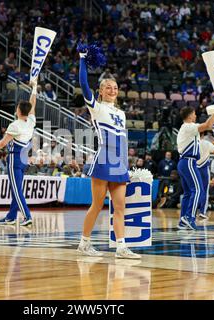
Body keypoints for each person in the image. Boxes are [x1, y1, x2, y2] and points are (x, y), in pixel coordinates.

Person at [76, 46, 140, 259]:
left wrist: (127, 166)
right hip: (103, 160)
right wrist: (83, 60)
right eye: (108, 87)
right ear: (101, 91)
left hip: (119, 164)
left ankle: (121, 247)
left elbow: (123, 142)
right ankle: (84, 243)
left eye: (115, 87)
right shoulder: (96, 107)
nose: (113, 90)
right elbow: (84, 84)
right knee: (97, 205)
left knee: (120, 206)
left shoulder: (121, 113)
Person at [0, 80, 38, 227]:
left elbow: (3, 143)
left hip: (15, 159)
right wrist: (34, 88)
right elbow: (32, 103)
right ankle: (10, 217)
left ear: (18, 110)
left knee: (16, 190)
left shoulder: (15, 125)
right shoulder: (31, 120)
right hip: (23, 160)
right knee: (17, 189)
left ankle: (27, 216)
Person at [176, 106, 214, 230]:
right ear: (189, 116)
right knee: (198, 190)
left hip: (184, 162)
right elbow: (207, 125)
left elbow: (206, 126)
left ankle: (183, 221)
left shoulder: (186, 129)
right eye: (194, 114)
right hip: (188, 161)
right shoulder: (188, 127)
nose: (195, 116)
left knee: (188, 193)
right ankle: (189, 217)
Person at [197, 132, 214, 219]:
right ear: (202, 135)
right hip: (203, 169)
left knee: (193, 191)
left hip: (193, 168)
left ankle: (190, 212)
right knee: (204, 191)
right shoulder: (206, 143)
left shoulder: (191, 143)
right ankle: (202, 212)